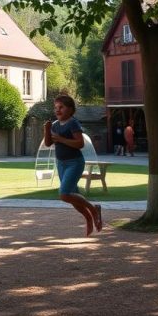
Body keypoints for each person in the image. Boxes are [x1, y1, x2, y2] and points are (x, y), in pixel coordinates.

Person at [44, 94, 103, 236]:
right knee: (72, 197)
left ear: (70, 110)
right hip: (61, 163)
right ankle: (88, 217)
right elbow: (48, 143)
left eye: (61, 107)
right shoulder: (55, 125)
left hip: (74, 163)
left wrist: (61, 139)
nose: (57, 110)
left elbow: (79, 143)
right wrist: (47, 130)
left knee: (64, 194)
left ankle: (94, 209)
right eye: (56, 108)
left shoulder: (73, 123)